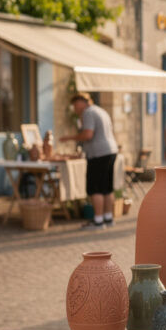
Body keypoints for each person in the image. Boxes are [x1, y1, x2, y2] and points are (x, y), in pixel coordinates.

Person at [61, 93, 119, 229]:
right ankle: (108, 218)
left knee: (95, 188)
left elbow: (88, 134)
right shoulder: (101, 110)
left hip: (98, 154)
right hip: (110, 151)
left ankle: (98, 221)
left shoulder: (88, 113)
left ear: (82, 102)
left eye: (75, 105)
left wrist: (70, 138)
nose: (75, 109)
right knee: (107, 188)